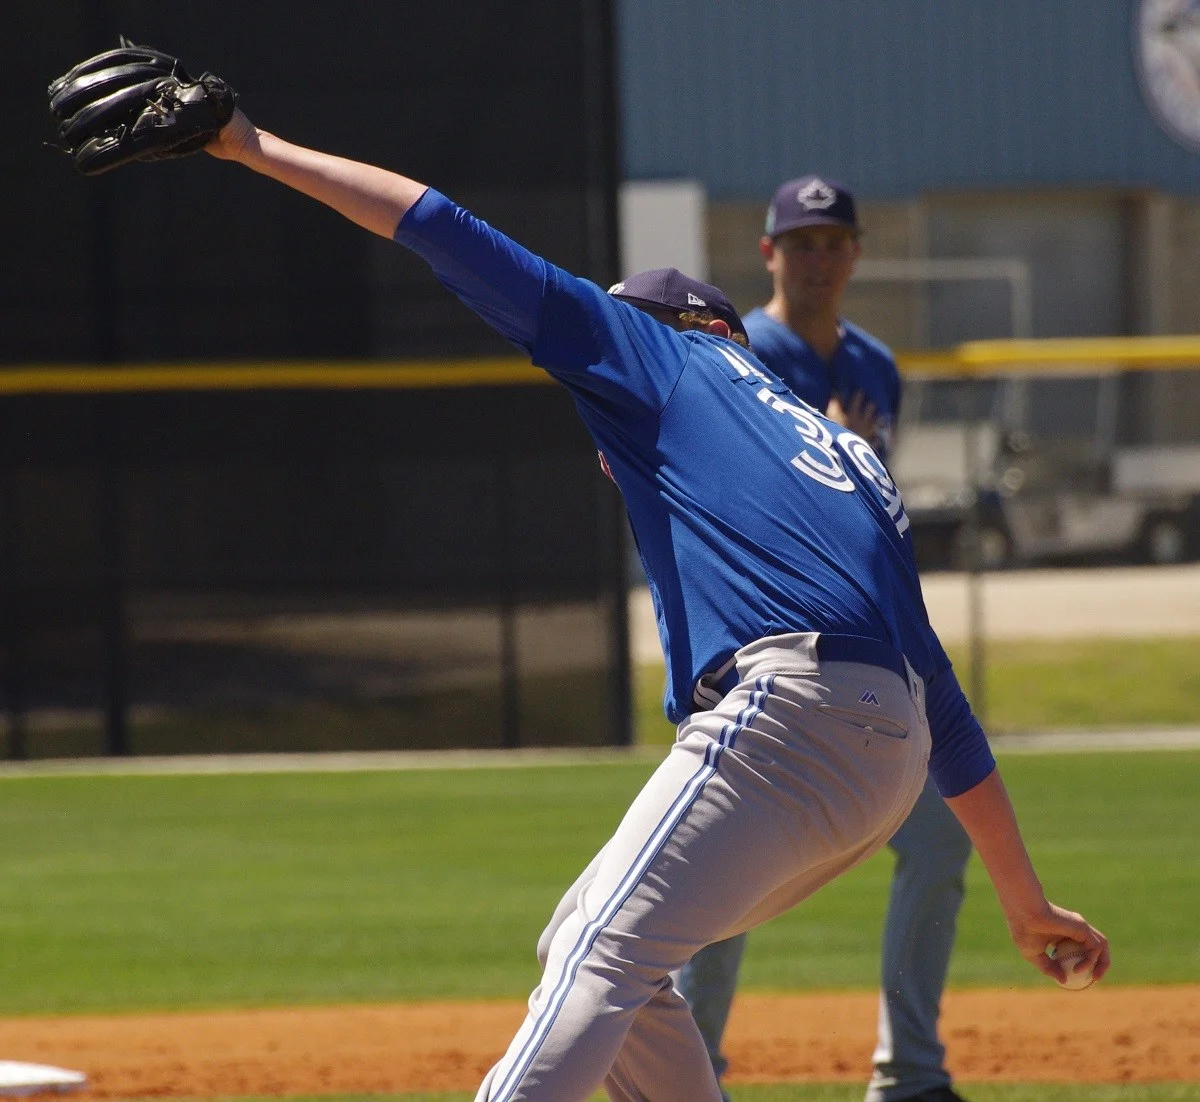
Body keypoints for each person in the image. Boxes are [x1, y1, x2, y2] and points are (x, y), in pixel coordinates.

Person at [200, 105, 1109, 1102]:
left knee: (596, 949)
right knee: (601, 951)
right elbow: (942, 701)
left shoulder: (661, 356)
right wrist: (1025, 904)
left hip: (790, 715)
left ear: (688, 328)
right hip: (879, 753)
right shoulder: (842, 454)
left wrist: (254, 149)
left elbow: (441, 227)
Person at [675, 176, 975, 1102]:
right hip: (760, 663)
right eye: (798, 242)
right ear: (767, 254)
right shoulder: (736, 351)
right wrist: (831, 450)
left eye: (831, 240)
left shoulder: (875, 365)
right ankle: (694, 1078)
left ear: (856, 253)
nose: (816, 257)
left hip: (872, 658)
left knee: (940, 842)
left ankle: (910, 1076)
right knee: (721, 889)